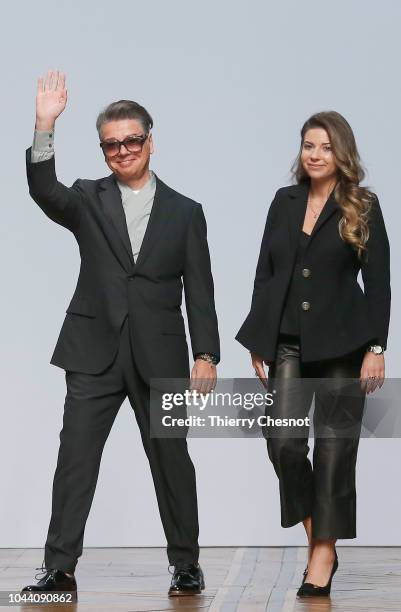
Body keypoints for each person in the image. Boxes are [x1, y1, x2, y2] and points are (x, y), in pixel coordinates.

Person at [22, 70, 220, 599]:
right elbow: (43, 188)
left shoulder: (185, 212)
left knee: (171, 461)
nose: (123, 151)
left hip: (160, 355)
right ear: (104, 150)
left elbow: (200, 290)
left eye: (132, 140)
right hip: (93, 353)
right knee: (76, 461)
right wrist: (45, 125)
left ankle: (186, 565)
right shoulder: (88, 198)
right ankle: (59, 569)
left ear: (150, 141)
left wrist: (205, 354)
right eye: (112, 144)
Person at [236, 111, 390, 597]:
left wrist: (376, 347)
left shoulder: (362, 205)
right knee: (282, 441)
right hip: (287, 341)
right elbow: (266, 271)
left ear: (341, 152)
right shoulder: (283, 202)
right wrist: (259, 340)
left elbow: (379, 282)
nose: (314, 154)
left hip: (345, 345)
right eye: (307, 145)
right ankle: (315, 529)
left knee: (335, 450)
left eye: (324, 146)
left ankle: (322, 555)